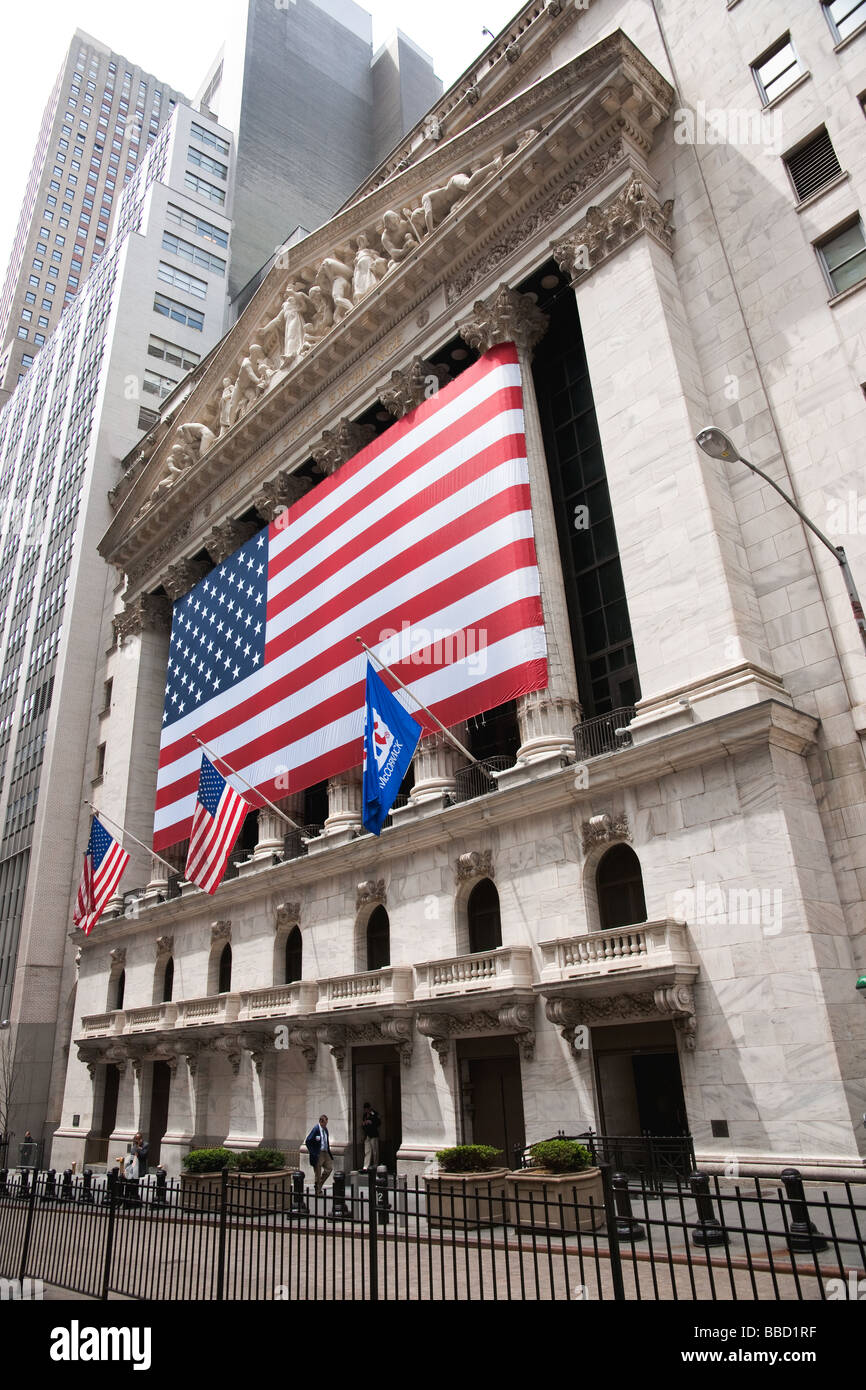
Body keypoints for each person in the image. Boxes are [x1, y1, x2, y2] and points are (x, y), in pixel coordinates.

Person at [305, 1114, 334, 1194]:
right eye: (325, 1123)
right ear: (321, 1122)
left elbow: (326, 1141)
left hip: (325, 1152)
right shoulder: (316, 1129)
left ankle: (318, 1184)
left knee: (329, 1168)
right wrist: (313, 1152)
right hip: (318, 1153)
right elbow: (308, 1141)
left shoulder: (325, 1130)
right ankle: (318, 1191)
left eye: (326, 1123)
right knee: (317, 1172)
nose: (326, 1125)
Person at [361, 1102, 381, 1171]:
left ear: (369, 1108)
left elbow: (378, 1122)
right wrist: (364, 1124)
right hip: (367, 1135)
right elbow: (363, 1125)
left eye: (367, 1109)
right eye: (365, 1109)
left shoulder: (374, 1113)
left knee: (375, 1151)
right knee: (367, 1151)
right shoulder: (364, 1115)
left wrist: (371, 1122)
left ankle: (375, 1164)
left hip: (373, 1134)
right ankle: (366, 1166)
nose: (366, 1110)